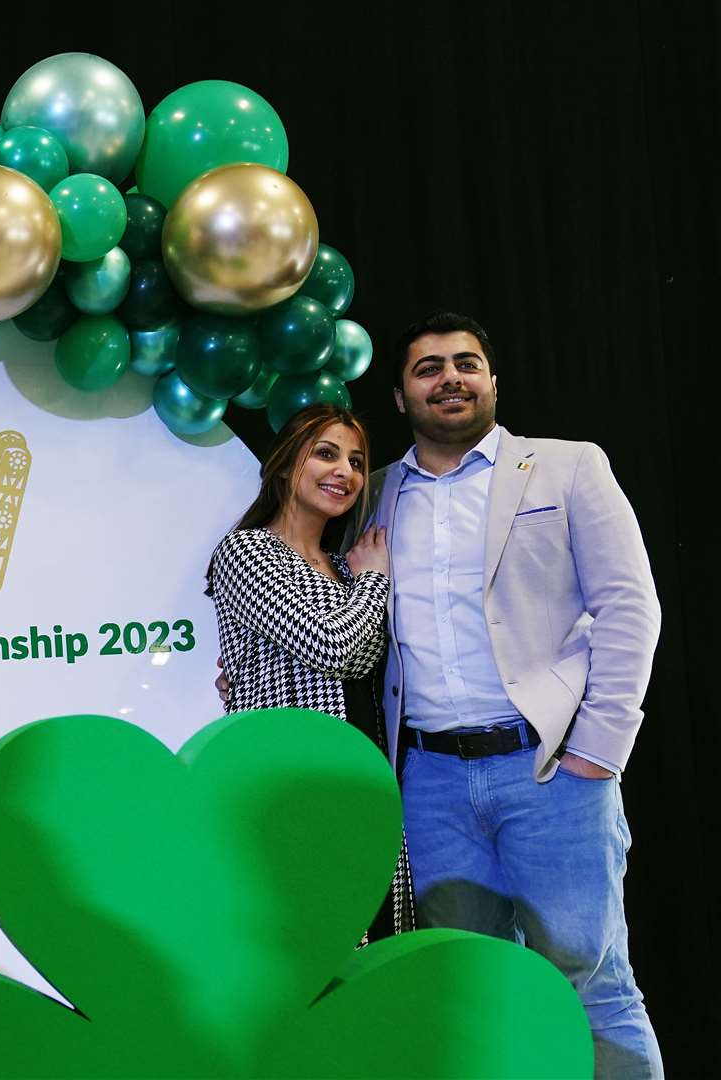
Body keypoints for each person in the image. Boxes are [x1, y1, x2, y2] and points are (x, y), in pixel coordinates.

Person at [219, 312, 662, 1078]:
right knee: (469, 985)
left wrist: (599, 749)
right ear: (401, 396)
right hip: (427, 786)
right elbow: (333, 621)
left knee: (591, 981)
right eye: (428, 368)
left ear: (493, 381)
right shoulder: (375, 494)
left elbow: (630, 607)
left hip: (551, 770)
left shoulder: (567, 468)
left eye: (465, 363)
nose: (449, 377)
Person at [206, 402, 413, 942]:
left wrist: (361, 580)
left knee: (379, 963)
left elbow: (369, 660)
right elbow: (335, 646)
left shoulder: (346, 565)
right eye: (325, 453)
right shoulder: (247, 552)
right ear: (283, 464)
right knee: (318, 957)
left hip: (365, 787)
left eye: (356, 460)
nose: (344, 471)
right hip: (295, 793)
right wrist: (373, 583)